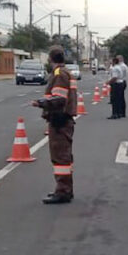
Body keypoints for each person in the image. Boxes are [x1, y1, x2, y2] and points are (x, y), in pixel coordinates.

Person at [32, 46, 76, 204]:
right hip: (62, 119)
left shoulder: (59, 74)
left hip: (60, 120)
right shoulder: (64, 72)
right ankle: (64, 189)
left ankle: (63, 191)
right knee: (63, 157)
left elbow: (59, 99)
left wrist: (41, 103)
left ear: (50, 59)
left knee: (60, 157)